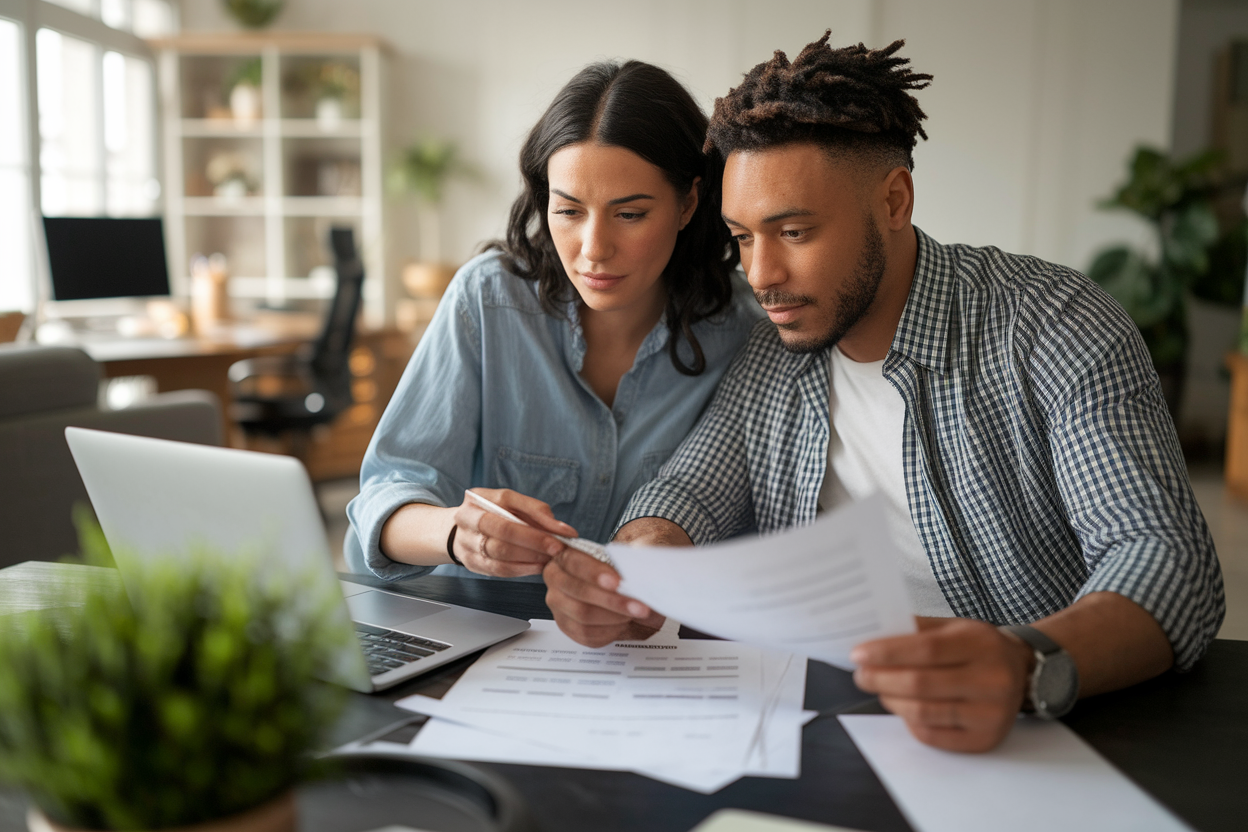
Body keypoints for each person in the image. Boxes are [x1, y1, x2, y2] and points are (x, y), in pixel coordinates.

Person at [541, 34, 1225, 752]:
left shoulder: (1051, 324)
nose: (761, 274)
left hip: (1041, 730)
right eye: (741, 237)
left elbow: (1166, 559)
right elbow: (689, 491)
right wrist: (625, 571)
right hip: (819, 721)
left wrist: (1026, 660)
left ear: (894, 201)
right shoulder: (776, 355)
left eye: (795, 231)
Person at [345, 60, 762, 585]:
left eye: (630, 214)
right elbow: (382, 499)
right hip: (482, 630)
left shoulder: (746, 331)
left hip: (650, 649)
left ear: (688, 203)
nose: (594, 250)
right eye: (568, 211)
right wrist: (457, 532)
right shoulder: (488, 300)